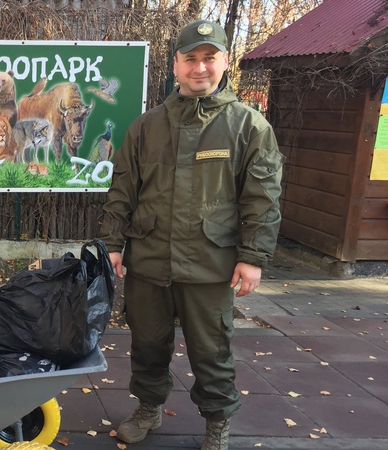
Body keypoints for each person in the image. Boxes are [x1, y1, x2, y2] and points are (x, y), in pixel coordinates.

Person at [100, 19, 284, 450]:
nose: (199, 68)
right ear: (176, 64)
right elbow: (123, 188)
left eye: (209, 58)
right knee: (147, 343)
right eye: (191, 59)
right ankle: (149, 409)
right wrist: (112, 243)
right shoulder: (146, 127)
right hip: (148, 258)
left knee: (211, 352)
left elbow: (263, 197)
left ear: (225, 63)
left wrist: (253, 256)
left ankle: (217, 421)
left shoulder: (248, 126)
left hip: (210, 261)